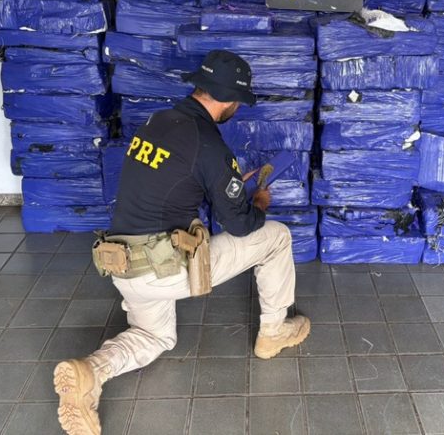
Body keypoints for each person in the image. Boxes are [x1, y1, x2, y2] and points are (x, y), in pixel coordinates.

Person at [53, 50, 310, 435]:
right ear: (228, 99)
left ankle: (91, 372)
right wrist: (255, 201)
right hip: (164, 269)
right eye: (239, 101)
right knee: (276, 237)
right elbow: (240, 224)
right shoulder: (209, 145)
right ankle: (274, 333)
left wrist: (227, 184)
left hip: (122, 265)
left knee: (156, 337)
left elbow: (174, 183)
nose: (238, 107)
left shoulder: (156, 122)